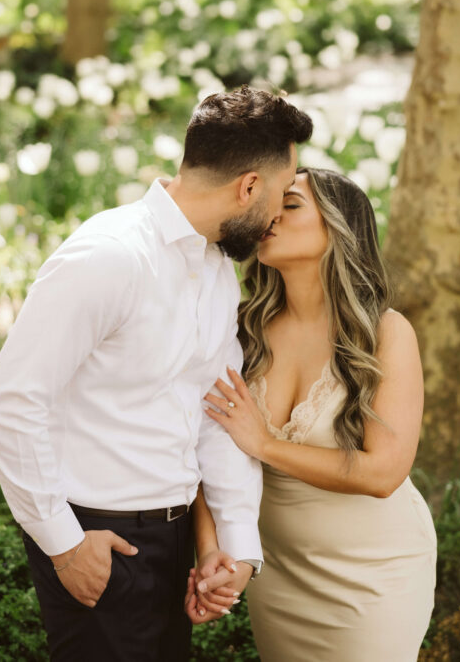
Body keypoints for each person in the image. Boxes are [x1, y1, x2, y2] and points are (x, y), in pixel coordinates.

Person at [0, 86, 313, 661]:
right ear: (249, 186)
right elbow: (10, 402)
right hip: (97, 537)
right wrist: (64, 544)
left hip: (174, 541)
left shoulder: (214, 269)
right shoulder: (108, 256)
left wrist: (232, 546)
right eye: (281, 193)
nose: (278, 213)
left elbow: (219, 411)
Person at [186, 167, 437, 661]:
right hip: (279, 573)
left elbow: (384, 472)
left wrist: (265, 444)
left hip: (376, 575)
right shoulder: (240, 329)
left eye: (292, 204)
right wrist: (214, 548)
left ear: (338, 229)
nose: (270, 215)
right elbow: (202, 449)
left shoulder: (384, 334)